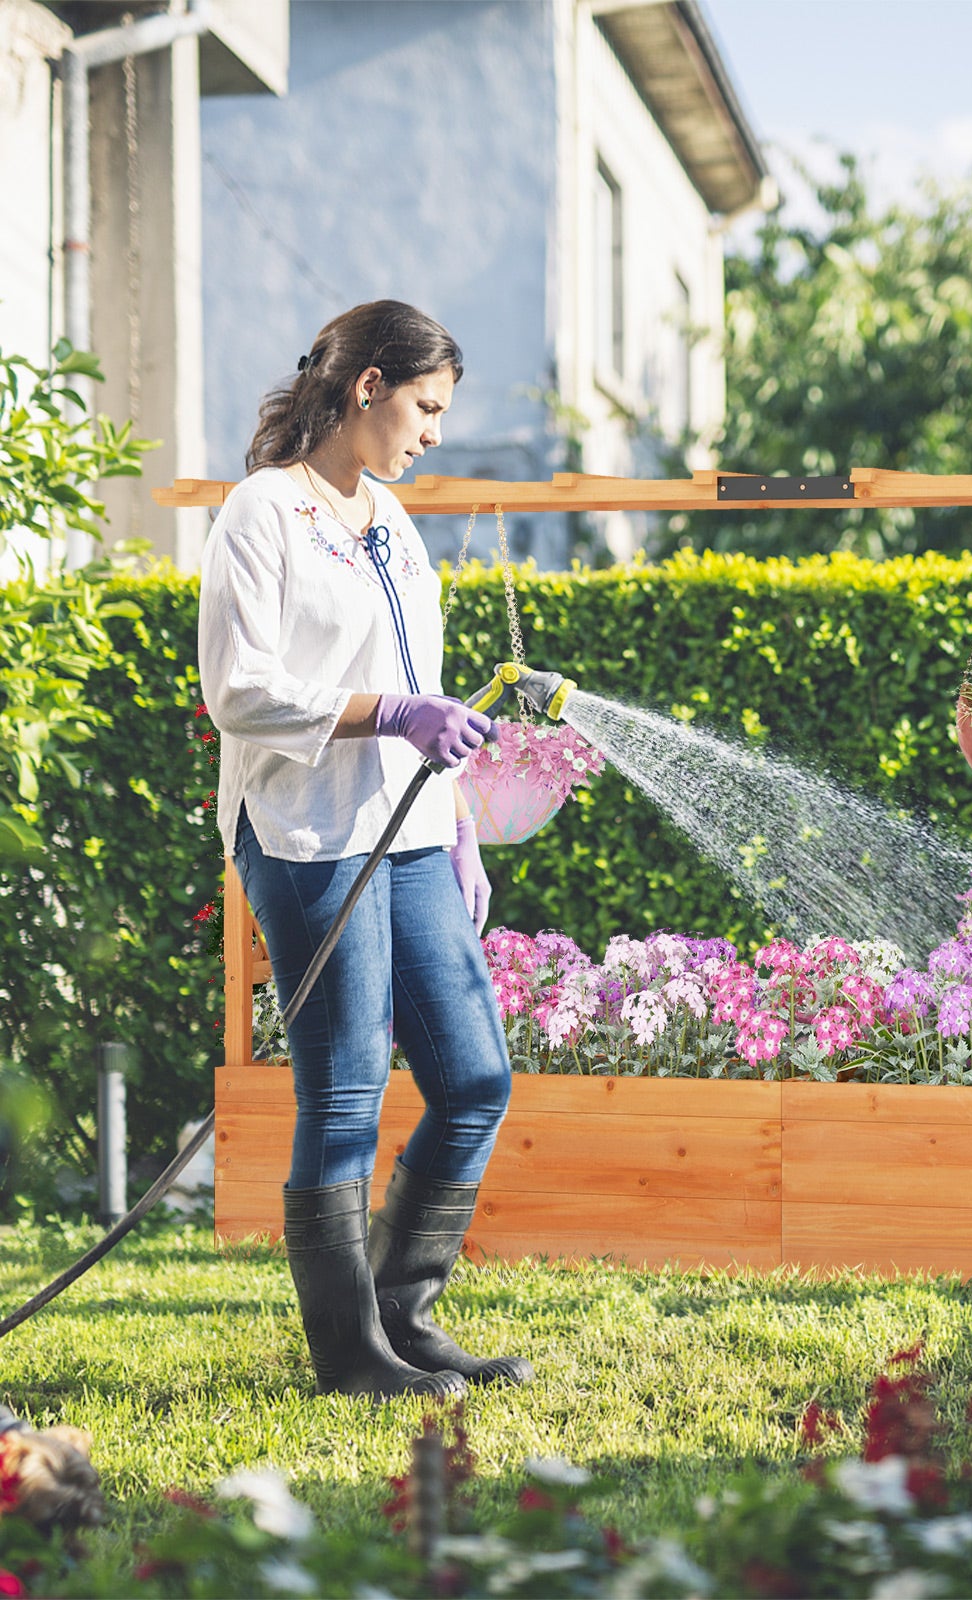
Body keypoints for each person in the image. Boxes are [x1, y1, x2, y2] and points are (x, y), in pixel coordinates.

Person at [198, 300, 532, 1398]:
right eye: (426, 407)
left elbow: (424, 684)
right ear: (369, 387)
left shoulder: (392, 516)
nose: (434, 432)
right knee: (344, 1092)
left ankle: (402, 1314)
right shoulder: (262, 513)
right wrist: (391, 715)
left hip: (412, 829)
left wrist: (462, 815)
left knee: (475, 1076)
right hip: (305, 832)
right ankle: (348, 1355)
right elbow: (239, 692)